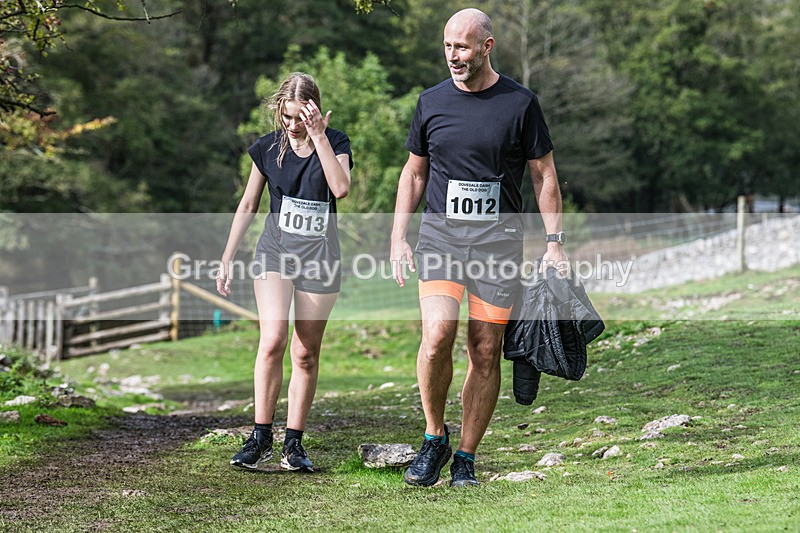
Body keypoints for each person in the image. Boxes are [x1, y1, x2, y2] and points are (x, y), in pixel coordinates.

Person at [390, 8, 568, 487]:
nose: (453, 56)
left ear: (487, 47)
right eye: (447, 46)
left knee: (486, 350)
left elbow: (543, 173)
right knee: (436, 340)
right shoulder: (430, 102)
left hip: (498, 245)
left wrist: (554, 243)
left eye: (462, 47)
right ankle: (434, 438)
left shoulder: (520, 103)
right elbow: (414, 173)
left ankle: (466, 457)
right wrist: (397, 238)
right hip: (440, 239)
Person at [217, 72, 352, 472]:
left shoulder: (337, 142)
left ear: (312, 111)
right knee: (273, 338)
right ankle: (260, 436)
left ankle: (293, 444)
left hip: (320, 260)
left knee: (306, 352)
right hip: (274, 254)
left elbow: (341, 188)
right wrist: (227, 256)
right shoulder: (267, 148)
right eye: (286, 117)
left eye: (299, 118)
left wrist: (320, 137)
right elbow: (248, 205)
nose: (292, 127)